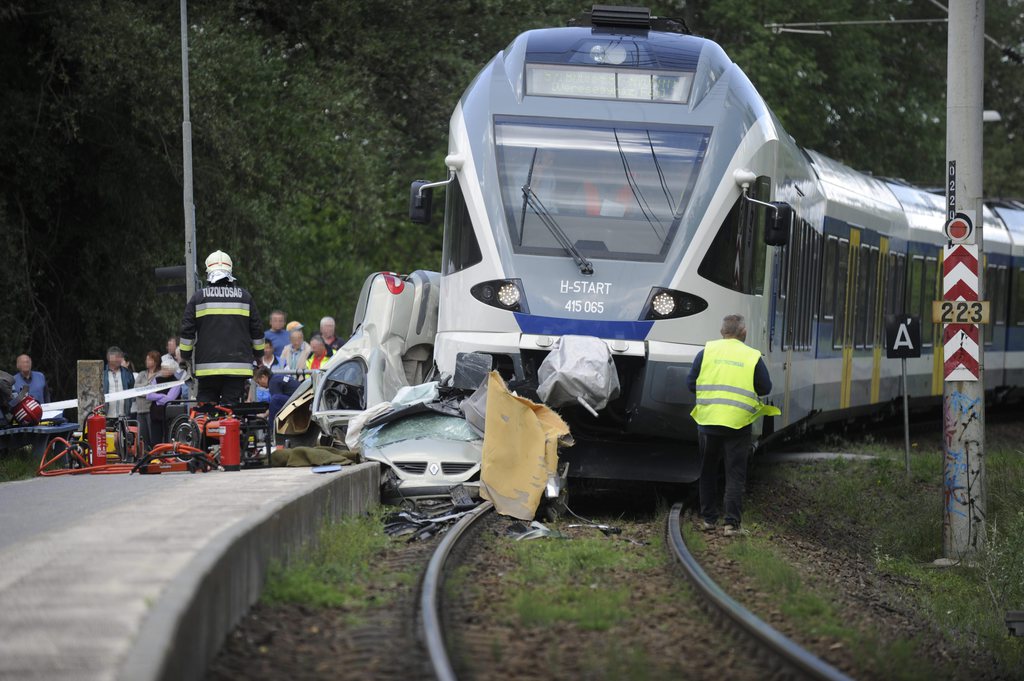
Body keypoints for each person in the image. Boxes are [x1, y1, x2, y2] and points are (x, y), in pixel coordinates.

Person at [687, 314, 779, 537]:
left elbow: (691, 383)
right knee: (735, 475)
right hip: (738, 424)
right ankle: (731, 525)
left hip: (708, 422)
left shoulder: (706, 352)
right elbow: (765, 387)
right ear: (743, 332)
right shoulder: (752, 356)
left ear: (722, 331)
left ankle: (708, 520)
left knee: (707, 471)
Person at [179, 250, 265, 404]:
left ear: (208, 272)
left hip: (207, 367)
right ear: (230, 271)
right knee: (230, 412)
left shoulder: (199, 297)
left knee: (206, 409)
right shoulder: (245, 297)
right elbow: (257, 330)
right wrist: (259, 355)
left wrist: (185, 357)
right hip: (238, 367)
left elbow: (187, 330)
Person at [147, 357, 182, 444]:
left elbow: (169, 399)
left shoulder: (176, 382)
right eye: (162, 368)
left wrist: (157, 400)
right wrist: (161, 396)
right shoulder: (156, 379)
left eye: (166, 369)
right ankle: (156, 456)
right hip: (155, 414)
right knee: (155, 439)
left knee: (168, 438)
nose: (163, 371)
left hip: (169, 415)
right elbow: (149, 395)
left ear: (172, 370)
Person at [134, 351, 161, 450]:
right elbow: (135, 388)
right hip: (140, 411)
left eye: (149, 359)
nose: (147, 361)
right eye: (146, 359)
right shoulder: (141, 374)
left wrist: (144, 390)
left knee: (153, 437)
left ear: (155, 361)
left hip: (151, 411)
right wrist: (147, 389)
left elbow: (154, 391)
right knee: (142, 438)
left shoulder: (159, 375)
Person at [102, 346, 136, 419]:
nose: (119, 359)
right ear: (109, 358)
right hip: (106, 416)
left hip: (124, 416)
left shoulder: (128, 373)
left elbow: (132, 390)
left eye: (120, 357)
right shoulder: (102, 373)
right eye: (117, 357)